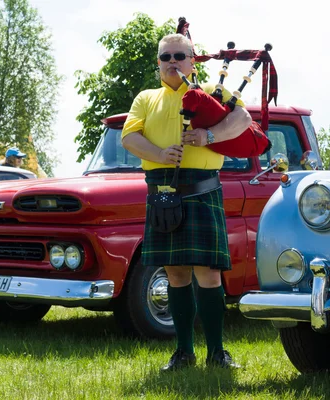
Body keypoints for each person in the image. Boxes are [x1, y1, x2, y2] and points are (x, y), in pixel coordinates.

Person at [121, 33, 251, 371]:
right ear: (158, 64)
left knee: (208, 274)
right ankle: (183, 352)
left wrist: (210, 136)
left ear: (193, 60)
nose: (172, 62)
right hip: (162, 190)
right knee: (175, 272)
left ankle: (217, 353)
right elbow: (130, 137)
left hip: (202, 189)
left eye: (180, 55)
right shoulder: (146, 98)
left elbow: (243, 121)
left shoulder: (210, 92)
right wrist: (161, 154)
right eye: (166, 57)